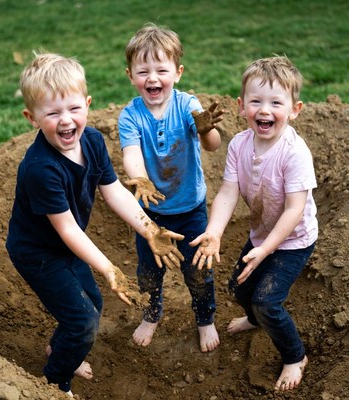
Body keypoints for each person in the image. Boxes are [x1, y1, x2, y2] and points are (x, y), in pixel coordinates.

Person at [6, 52, 185, 397]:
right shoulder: (41, 168)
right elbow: (68, 229)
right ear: (31, 117)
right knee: (83, 321)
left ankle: (60, 350)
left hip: (67, 245)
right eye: (52, 113)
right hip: (38, 253)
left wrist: (149, 229)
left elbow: (114, 190)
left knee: (93, 305)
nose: (66, 120)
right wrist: (108, 268)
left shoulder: (92, 142)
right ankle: (56, 381)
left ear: (87, 104)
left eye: (73, 109)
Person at [191, 56, 318, 390]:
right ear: (241, 106)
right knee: (239, 288)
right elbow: (229, 193)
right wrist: (214, 232)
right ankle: (254, 319)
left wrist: (264, 252)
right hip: (261, 234)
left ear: (294, 110)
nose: (265, 110)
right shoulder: (239, 145)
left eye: (276, 102)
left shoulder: (295, 153)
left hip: (293, 240)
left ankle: (295, 356)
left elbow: (294, 211)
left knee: (267, 300)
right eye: (256, 101)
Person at [118, 23, 224, 353]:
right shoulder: (130, 117)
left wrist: (206, 131)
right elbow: (131, 156)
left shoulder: (187, 104)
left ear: (177, 72)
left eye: (161, 70)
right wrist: (141, 180)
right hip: (151, 214)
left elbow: (212, 146)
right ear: (130, 75)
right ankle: (151, 314)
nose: (152, 78)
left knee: (198, 271)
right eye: (143, 71)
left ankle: (205, 319)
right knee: (149, 272)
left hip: (191, 208)